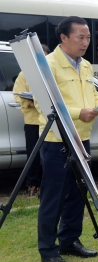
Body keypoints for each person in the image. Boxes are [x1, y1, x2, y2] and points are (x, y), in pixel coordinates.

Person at [37, 16, 98, 262]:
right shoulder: (47, 65)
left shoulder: (87, 66)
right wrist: (78, 111)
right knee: (54, 197)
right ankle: (48, 251)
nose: (85, 42)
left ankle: (69, 240)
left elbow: (91, 93)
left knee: (79, 194)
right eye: (80, 37)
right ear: (64, 38)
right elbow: (43, 104)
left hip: (82, 138)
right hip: (56, 140)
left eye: (88, 37)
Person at [13, 70, 42, 198]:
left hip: (51, 121)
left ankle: (47, 185)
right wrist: (31, 103)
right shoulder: (25, 74)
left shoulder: (52, 72)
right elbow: (18, 94)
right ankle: (33, 185)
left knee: (52, 155)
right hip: (33, 121)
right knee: (33, 155)